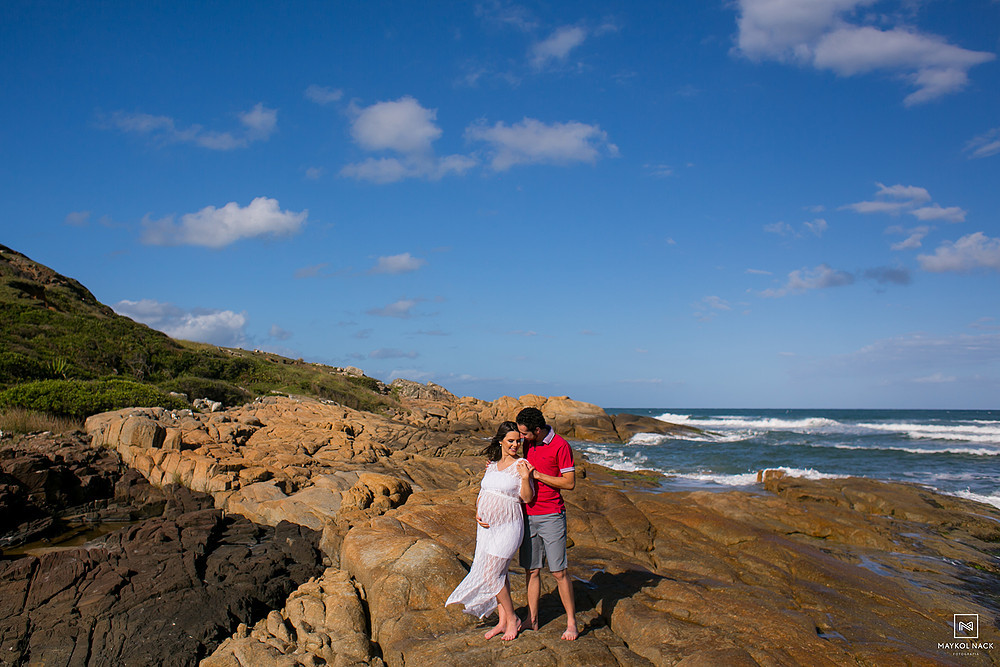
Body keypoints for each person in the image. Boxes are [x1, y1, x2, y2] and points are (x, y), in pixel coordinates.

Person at [446, 421, 536, 641]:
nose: (515, 445)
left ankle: (513, 618)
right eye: (511, 441)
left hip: (509, 526)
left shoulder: (522, 465)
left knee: (491, 573)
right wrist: (478, 510)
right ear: (500, 441)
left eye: (518, 441)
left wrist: (525, 477)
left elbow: (527, 498)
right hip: (486, 527)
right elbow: (484, 490)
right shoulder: (493, 465)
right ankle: (502, 621)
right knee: (499, 574)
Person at [516, 406, 578, 641]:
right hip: (527, 514)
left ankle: (571, 623)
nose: (521, 438)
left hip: (552, 515)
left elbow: (570, 483)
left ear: (538, 430)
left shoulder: (560, 446)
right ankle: (532, 619)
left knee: (559, 572)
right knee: (531, 570)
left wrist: (539, 476)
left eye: (524, 433)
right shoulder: (528, 443)